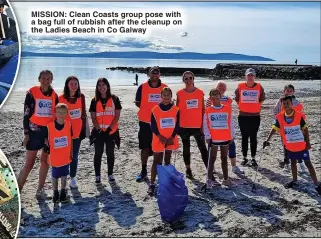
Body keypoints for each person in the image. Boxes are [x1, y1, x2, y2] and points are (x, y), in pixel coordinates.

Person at [263, 95, 321, 195]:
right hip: (290, 146)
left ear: (292, 104)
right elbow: (274, 129)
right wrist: (267, 140)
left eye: (288, 103)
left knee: (308, 163)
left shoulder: (298, 115)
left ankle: (317, 184)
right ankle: (294, 181)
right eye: (284, 104)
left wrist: (308, 142)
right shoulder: (280, 117)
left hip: (301, 146)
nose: (286, 105)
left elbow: (305, 129)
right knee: (293, 163)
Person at [17, 70, 58, 198]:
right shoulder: (31, 93)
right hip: (34, 132)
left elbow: (56, 116)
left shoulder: (54, 95)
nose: (46, 80)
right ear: (39, 78)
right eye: (44, 78)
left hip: (48, 132)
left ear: (51, 80)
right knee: (29, 164)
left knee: (45, 161)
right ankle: (18, 190)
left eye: (49, 78)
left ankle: (40, 189)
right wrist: (26, 134)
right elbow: (26, 114)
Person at [135, 66, 167, 182]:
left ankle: (159, 170)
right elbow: (138, 102)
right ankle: (143, 170)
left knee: (160, 148)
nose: (154, 75)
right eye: (152, 73)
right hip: (145, 122)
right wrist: (147, 111)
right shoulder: (142, 87)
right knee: (145, 147)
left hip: (160, 123)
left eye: (157, 73)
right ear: (149, 74)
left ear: (159, 74)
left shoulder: (164, 88)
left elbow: (168, 103)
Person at [206, 80, 244, 174]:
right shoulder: (209, 100)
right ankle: (212, 168)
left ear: (226, 89)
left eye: (223, 87)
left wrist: (231, 132)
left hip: (225, 129)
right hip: (214, 129)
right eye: (220, 87)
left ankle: (234, 166)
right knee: (212, 150)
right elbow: (206, 115)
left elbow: (229, 115)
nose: (221, 89)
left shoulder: (228, 99)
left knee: (231, 146)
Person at [89, 78, 122, 183]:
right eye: (99, 85)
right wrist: (99, 129)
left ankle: (110, 174)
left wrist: (109, 129)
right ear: (97, 87)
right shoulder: (94, 100)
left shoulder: (115, 99)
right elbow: (93, 117)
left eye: (103, 85)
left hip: (111, 132)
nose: (101, 87)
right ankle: (97, 176)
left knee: (110, 153)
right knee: (98, 153)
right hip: (98, 132)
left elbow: (116, 116)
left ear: (107, 86)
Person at [176, 71, 208, 179]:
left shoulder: (200, 93)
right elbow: (177, 111)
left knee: (202, 148)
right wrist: (176, 126)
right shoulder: (179, 93)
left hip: (197, 126)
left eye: (190, 78)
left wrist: (203, 125)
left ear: (193, 79)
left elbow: (203, 109)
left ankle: (209, 169)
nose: (188, 80)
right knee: (186, 148)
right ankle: (188, 169)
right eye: (186, 79)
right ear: (183, 80)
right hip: (184, 126)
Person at [149, 87, 180, 195]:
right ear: (161, 96)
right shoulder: (155, 109)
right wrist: (159, 136)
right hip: (158, 138)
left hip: (170, 138)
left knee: (167, 160)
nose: (166, 97)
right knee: (157, 161)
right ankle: (152, 184)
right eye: (164, 95)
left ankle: (165, 182)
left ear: (171, 96)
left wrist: (172, 136)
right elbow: (152, 125)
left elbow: (177, 125)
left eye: (168, 95)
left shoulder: (176, 109)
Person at [58, 76, 87, 189]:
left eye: (76, 84)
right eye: (71, 84)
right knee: (64, 156)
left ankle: (73, 178)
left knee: (74, 156)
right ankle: (63, 178)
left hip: (76, 133)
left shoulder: (81, 97)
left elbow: (83, 115)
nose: (74, 86)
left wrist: (83, 130)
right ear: (67, 85)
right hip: (63, 133)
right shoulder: (61, 98)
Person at [234, 68, 265, 167]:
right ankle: (244, 158)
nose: (250, 77)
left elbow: (261, 99)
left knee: (253, 137)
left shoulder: (259, 87)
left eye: (252, 75)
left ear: (254, 77)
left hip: (255, 116)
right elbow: (237, 99)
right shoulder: (240, 86)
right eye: (248, 75)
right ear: (245, 77)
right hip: (243, 116)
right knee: (244, 137)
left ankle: (253, 158)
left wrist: (253, 107)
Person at [203, 89, 234, 187]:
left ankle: (226, 179)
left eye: (217, 95)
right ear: (210, 97)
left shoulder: (227, 108)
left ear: (220, 96)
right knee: (212, 158)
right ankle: (209, 179)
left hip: (225, 137)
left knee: (224, 158)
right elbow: (205, 124)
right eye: (213, 95)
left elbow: (231, 123)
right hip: (214, 138)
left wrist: (232, 135)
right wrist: (207, 136)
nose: (215, 97)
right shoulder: (208, 110)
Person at [273, 84, 307, 173]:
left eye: (290, 90)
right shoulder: (280, 101)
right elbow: (276, 112)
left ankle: (300, 163)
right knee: (286, 146)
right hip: (285, 130)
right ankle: (287, 163)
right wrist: (277, 124)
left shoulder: (297, 102)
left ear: (293, 92)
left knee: (298, 146)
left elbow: (301, 115)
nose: (289, 92)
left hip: (296, 129)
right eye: (287, 90)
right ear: (284, 91)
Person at [44, 103, 73, 203]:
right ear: (55, 113)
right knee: (55, 175)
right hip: (55, 156)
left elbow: (71, 139)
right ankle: (55, 193)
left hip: (65, 155)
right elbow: (46, 140)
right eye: (59, 112)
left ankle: (63, 193)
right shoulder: (50, 126)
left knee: (64, 174)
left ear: (67, 113)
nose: (61, 114)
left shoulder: (68, 124)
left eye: (63, 112)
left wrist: (71, 151)